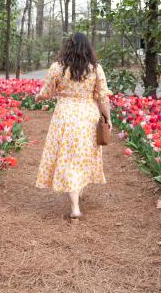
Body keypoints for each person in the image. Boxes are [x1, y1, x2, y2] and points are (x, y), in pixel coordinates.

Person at [35, 32, 112, 221]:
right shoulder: (95, 69)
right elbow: (102, 97)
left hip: (65, 117)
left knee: (67, 157)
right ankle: (76, 200)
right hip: (87, 116)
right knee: (81, 156)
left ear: (68, 47)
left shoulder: (58, 68)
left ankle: (75, 206)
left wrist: (38, 97)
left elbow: (46, 92)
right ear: (88, 49)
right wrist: (108, 118)